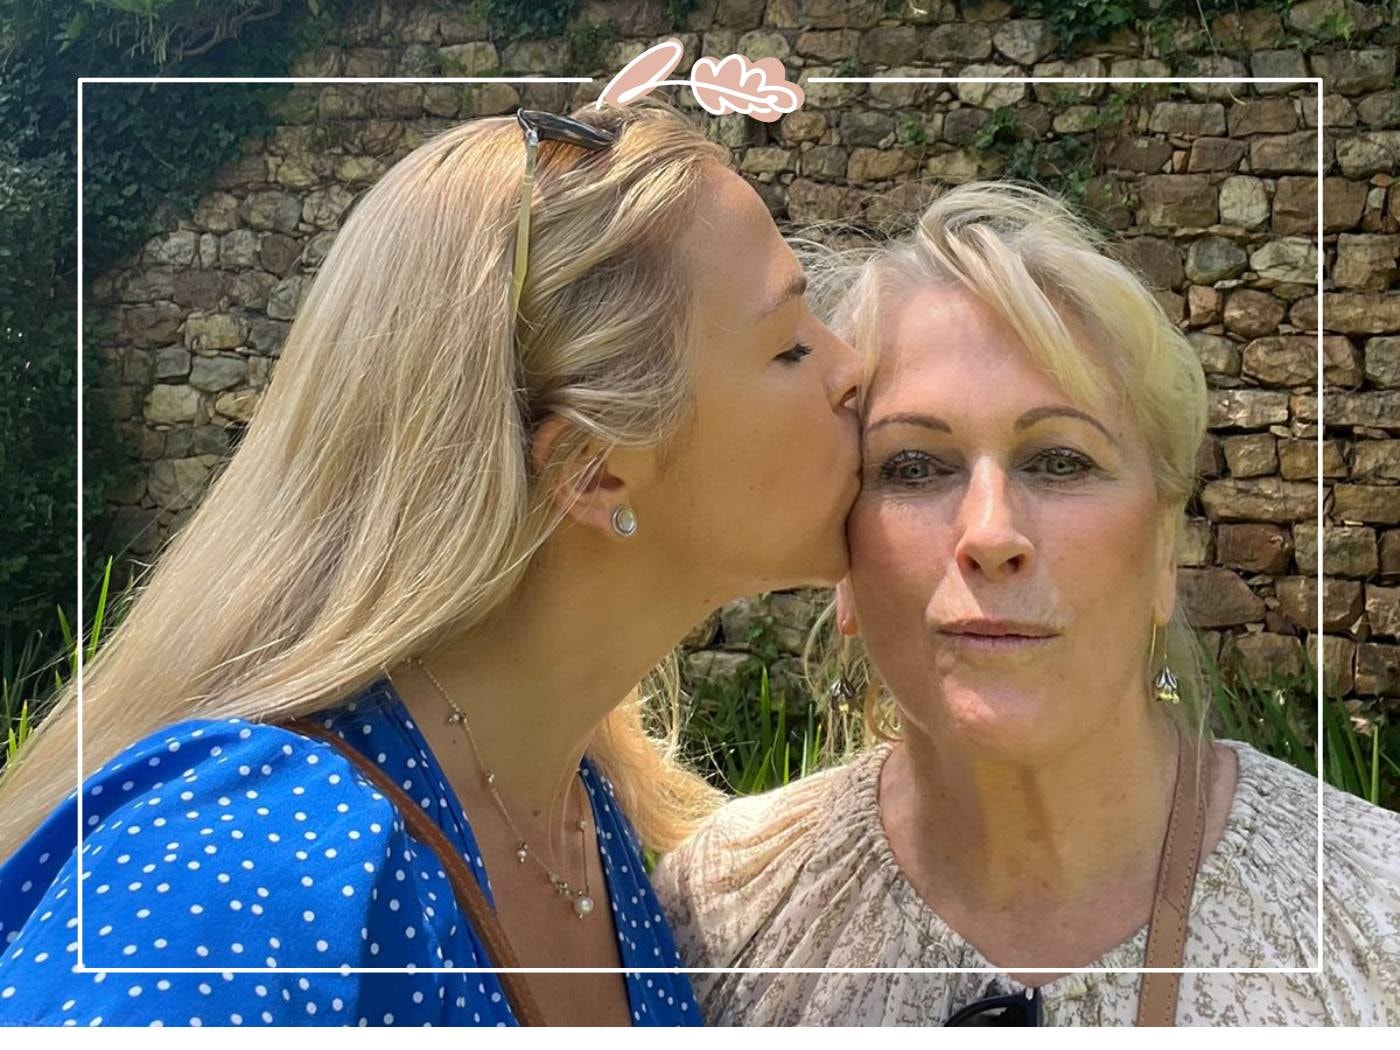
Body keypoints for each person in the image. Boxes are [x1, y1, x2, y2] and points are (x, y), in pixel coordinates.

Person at [0, 102, 862, 1026]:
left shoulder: (582, 814)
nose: (853, 369)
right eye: (791, 344)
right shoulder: (247, 868)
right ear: (594, 469)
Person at [652, 181, 1400, 1026]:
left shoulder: (1374, 921)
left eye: (1060, 461)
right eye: (913, 468)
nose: (990, 532)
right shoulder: (707, 926)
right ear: (844, 564)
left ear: (1163, 546)